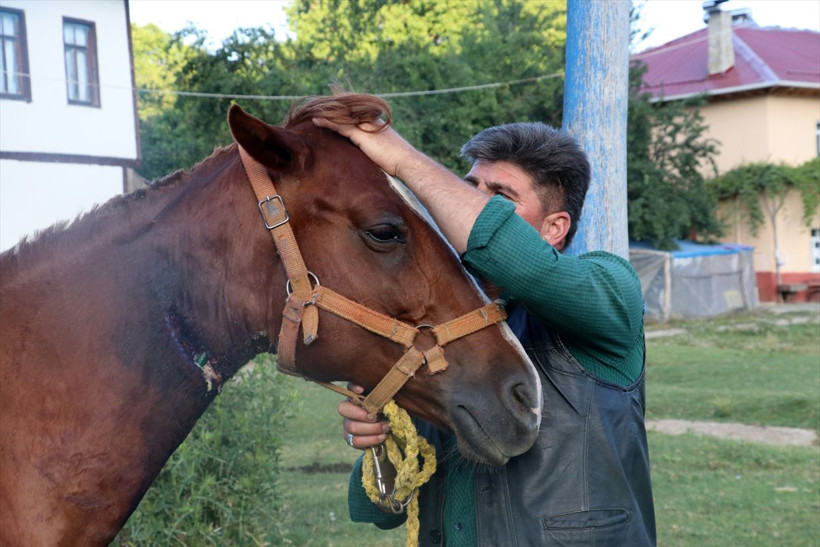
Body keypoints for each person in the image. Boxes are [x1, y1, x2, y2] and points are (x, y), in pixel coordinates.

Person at [313, 113, 656, 546]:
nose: (464, 202)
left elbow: (523, 267)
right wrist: (376, 439)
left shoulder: (611, 289)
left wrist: (401, 159)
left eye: (500, 195)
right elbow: (379, 513)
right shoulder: (434, 329)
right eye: (470, 186)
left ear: (555, 228)